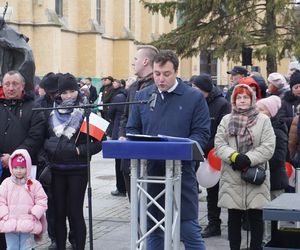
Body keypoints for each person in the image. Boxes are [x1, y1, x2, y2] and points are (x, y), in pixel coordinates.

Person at [127, 50, 210, 250]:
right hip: (150, 175)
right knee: (153, 230)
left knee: (189, 230)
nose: (161, 79)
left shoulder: (193, 98)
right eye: (157, 74)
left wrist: (180, 149)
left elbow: (201, 134)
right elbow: (132, 129)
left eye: (166, 74)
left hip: (181, 174)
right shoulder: (143, 96)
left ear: (176, 72)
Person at [44, 73, 102, 250]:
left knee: (75, 212)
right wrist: (49, 147)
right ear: (58, 94)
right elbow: (43, 138)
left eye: (72, 91)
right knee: (59, 213)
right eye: (65, 92)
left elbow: (100, 142)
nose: (69, 95)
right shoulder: (50, 113)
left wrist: (80, 150)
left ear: (77, 91)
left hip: (78, 169)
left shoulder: (87, 112)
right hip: (56, 170)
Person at [214, 84, 276, 250]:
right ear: (234, 100)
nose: (242, 101)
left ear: (252, 99)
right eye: (239, 97)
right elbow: (219, 144)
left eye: (245, 97)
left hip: (255, 174)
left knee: (256, 217)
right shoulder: (226, 120)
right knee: (233, 218)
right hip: (232, 176)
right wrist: (234, 156)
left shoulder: (263, 120)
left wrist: (248, 158)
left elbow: (268, 146)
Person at [0, 70, 45, 249]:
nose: (11, 88)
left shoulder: (34, 107)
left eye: (15, 84)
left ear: (23, 86)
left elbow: (35, 136)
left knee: (20, 213)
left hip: (21, 170)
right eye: (7, 84)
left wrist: (14, 158)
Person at [191, 74, 231, 238]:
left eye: (195, 89)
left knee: (221, 189)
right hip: (199, 150)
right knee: (211, 191)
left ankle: (239, 220)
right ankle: (213, 223)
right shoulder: (195, 102)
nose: (192, 91)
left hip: (216, 153)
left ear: (204, 90)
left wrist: (207, 146)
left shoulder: (222, 104)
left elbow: (223, 131)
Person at [118, 45, 159, 199]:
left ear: (145, 61)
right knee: (133, 198)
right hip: (129, 150)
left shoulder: (157, 86)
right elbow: (125, 116)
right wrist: (122, 134)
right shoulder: (134, 87)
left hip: (148, 151)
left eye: (136, 59)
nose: (132, 62)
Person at [0, 149, 48, 250]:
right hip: (10, 223)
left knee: (26, 247)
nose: (18, 170)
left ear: (28, 167)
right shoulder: (6, 183)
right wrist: (4, 215)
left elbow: (42, 200)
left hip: (28, 223)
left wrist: (34, 213)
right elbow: (1, 201)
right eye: (15, 167)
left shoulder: (34, 184)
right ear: (11, 168)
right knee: (12, 247)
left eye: (22, 167)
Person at [256, 96, 289, 199]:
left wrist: (256, 159)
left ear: (271, 113)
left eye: (261, 109)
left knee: (273, 213)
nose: (257, 112)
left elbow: (278, 158)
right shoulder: (261, 127)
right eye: (256, 108)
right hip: (263, 180)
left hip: (274, 183)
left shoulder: (277, 131)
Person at [108, 80, 127, 197]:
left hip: (118, 131)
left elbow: (110, 113)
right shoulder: (133, 96)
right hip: (128, 133)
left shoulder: (118, 98)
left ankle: (120, 188)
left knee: (118, 162)